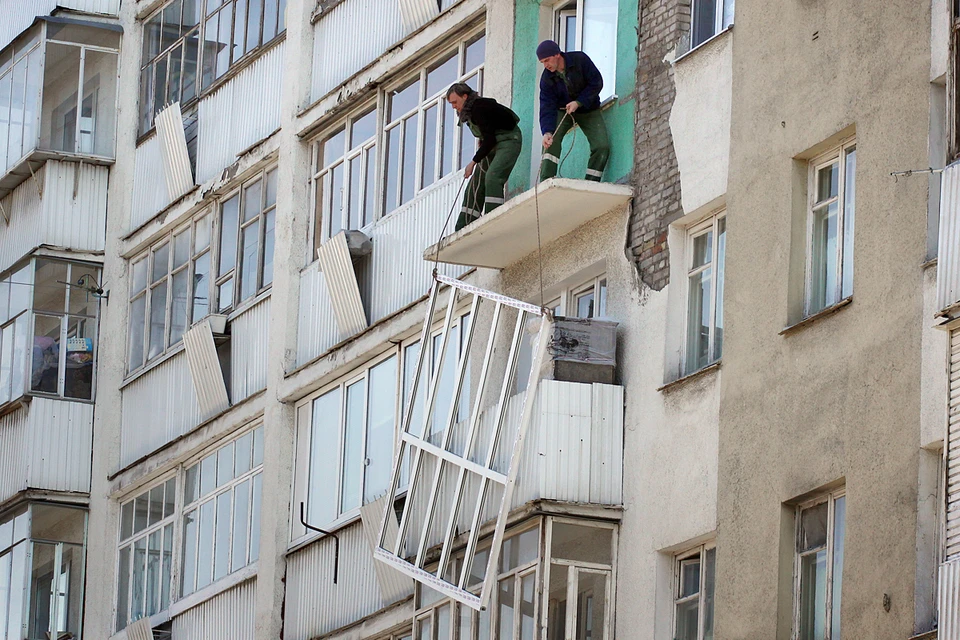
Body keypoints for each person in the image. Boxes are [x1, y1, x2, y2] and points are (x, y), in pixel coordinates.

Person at [446, 83, 523, 231]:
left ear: (465, 96)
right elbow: (487, 135)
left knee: (492, 177)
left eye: (455, 102)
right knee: (474, 184)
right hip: (493, 145)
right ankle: (463, 227)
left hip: (508, 140)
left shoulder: (479, 108)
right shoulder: (467, 114)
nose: (453, 107)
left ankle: (493, 218)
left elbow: (490, 138)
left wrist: (473, 162)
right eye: (451, 104)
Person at [536, 39, 610, 182]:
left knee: (602, 146)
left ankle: (592, 182)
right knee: (551, 141)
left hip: (588, 109)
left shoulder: (580, 59)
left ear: (557, 54)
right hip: (563, 111)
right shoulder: (546, 79)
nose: (546, 65)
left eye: (547, 60)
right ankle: (546, 181)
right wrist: (547, 131)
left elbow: (596, 82)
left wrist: (579, 102)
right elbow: (546, 106)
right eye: (542, 63)